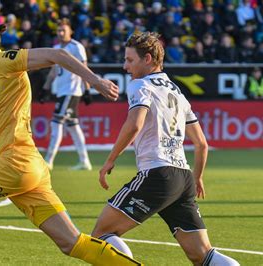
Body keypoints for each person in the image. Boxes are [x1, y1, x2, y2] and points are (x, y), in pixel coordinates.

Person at [0, 18, 143, 266]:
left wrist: (94, 81)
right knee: (70, 243)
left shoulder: (6, 60)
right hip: (28, 168)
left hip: (15, 162)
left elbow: (57, 54)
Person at [91, 32, 240, 266]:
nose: (125, 66)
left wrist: (111, 159)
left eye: (130, 60)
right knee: (203, 255)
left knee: (101, 235)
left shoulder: (140, 85)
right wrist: (197, 177)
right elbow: (201, 143)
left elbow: (135, 124)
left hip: (157, 174)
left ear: (147, 58)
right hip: (183, 178)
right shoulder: (176, 92)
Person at [41, 18, 93, 171]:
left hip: (71, 92)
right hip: (61, 91)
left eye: (64, 30)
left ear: (71, 31)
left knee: (56, 123)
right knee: (73, 127)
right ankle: (85, 161)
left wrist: (87, 89)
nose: (61, 33)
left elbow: (85, 69)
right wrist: (46, 88)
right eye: (59, 30)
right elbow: (53, 71)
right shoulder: (56, 47)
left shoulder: (77, 47)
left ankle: (48, 161)